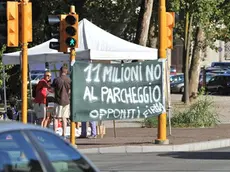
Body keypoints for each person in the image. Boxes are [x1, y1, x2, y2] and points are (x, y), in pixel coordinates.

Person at [52, 66, 71, 139]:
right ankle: (64, 134)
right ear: (66, 72)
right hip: (66, 101)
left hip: (58, 100)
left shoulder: (56, 80)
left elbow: (52, 90)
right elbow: (69, 91)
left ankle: (54, 133)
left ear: (60, 71)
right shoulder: (69, 80)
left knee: (56, 118)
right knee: (64, 118)